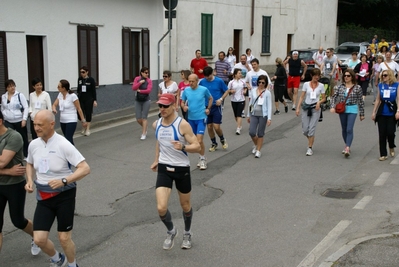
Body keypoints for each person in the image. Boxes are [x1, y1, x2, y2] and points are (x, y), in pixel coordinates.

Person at [25, 110, 90, 267]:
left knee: (64, 238)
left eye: (40, 125)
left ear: (52, 124)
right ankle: (57, 258)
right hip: (44, 196)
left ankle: (73, 264)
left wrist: (64, 180)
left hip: (64, 196)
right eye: (34, 124)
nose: (36, 128)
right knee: (39, 239)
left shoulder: (63, 144)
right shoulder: (34, 144)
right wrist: (29, 180)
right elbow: (29, 163)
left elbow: (85, 168)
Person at [150, 93, 200, 250]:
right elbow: (160, 141)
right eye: (160, 106)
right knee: (161, 207)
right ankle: (171, 231)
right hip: (164, 168)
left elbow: (197, 145)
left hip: (181, 169)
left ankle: (187, 232)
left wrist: (183, 146)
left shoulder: (182, 124)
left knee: (185, 205)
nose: (162, 109)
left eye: (165, 106)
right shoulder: (156, 124)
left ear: (173, 106)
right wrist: (156, 159)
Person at [0, 110, 40, 255]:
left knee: (17, 220)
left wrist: (6, 170)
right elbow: (4, 166)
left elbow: (3, 161)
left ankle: (37, 237)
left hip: (14, 185)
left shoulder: (14, 137)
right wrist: (7, 171)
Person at [330, 69, 365, 157]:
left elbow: (360, 101)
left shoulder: (357, 88)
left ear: (352, 77)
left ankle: (347, 147)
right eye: (345, 76)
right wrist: (332, 106)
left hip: (352, 109)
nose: (346, 77)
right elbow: (334, 97)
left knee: (349, 129)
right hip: (342, 109)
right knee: (344, 129)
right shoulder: (340, 87)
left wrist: (362, 113)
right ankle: (347, 144)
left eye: (348, 76)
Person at [181, 74, 212, 170]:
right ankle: (200, 157)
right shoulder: (186, 90)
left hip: (201, 118)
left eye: (192, 81)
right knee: (193, 142)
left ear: (197, 81)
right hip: (191, 118)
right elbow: (182, 101)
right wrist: (184, 107)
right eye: (189, 81)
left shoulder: (203, 89)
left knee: (199, 140)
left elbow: (210, 98)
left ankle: (202, 158)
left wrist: (208, 108)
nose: (190, 83)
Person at [295, 68, 326, 156]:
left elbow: (324, 98)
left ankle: (310, 148)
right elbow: (301, 97)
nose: (317, 77)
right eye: (315, 75)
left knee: (311, 129)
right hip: (306, 107)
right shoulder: (306, 84)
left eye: (318, 75)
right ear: (312, 75)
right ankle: (311, 139)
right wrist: (297, 108)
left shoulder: (321, 86)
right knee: (305, 130)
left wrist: (319, 102)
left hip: (315, 108)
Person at [199, 66, 229, 152]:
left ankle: (222, 139)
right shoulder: (202, 82)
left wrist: (221, 99)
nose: (207, 78)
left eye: (208, 76)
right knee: (209, 126)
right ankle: (214, 143)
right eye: (205, 76)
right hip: (206, 107)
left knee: (216, 127)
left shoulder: (219, 81)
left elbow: (227, 91)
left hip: (216, 106)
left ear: (212, 73)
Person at [371, 69, 399, 161]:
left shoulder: (396, 85)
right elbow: (378, 99)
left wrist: (398, 111)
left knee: (390, 132)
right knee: (382, 133)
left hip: (392, 110)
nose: (384, 77)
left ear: (390, 75)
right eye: (383, 75)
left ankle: (391, 145)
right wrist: (374, 112)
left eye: (386, 75)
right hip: (382, 111)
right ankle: (383, 154)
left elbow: (398, 99)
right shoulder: (381, 85)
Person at [52, 80, 87, 145]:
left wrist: (83, 120)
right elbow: (54, 104)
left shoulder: (72, 96)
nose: (57, 88)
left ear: (64, 88)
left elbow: (79, 109)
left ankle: (72, 153)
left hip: (71, 120)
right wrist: (54, 109)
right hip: (63, 120)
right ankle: (72, 152)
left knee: (68, 138)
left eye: (59, 86)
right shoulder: (60, 95)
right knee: (66, 139)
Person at [1, 79, 29, 158]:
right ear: (6, 88)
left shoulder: (20, 95)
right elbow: (3, 108)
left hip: (19, 120)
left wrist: (24, 119)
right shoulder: (4, 96)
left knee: (23, 138)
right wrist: (4, 116)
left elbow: (26, 107)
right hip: (8, 121)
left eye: (13, 86)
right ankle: (12, 155)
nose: (12, 88)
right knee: (9, 138)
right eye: (10, 86)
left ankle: (26, 155)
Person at [247, 75, 272, 158]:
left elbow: (269, 106)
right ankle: (257, 145)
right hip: (254, 114)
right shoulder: (253, 91)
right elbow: (251, 104)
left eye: (263, 82)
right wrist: (248, 115)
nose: (261, 84)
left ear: (265, 83)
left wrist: (269, 118)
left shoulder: (267, 93)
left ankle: (258, 150)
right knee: (252, 132)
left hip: (263, 115)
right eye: (259, 82)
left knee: (260, 133)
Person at [132, 67, 152, 140]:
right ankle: (145, 127)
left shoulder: (149, 81)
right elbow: (134, 88)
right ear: (142, 73)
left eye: (148, 73)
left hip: (146, 100)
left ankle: (144, 133)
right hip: (138, 100)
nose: (147, 74)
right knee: (138, 118)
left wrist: (140, 91)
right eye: (146, 72)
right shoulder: (137, 79)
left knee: (144, 117)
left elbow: (148, 90)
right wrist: (140, 83)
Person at [77, 66, 97, 136]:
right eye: (81, 72)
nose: (82, 74)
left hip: (89, 99)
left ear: (87, 72)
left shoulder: (91, 80)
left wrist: (94, 100)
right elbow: (78, 89)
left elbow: (93, 91)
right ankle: (83, 126)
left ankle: (87, 129)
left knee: (88, 113)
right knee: (80, 114)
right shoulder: (80, 79)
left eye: (83, 72)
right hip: (81, 98)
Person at [228, 68, 247, 135]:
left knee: (239, 114)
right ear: (235, 74)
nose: (240, 74)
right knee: (236, 115)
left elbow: (245, 88)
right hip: (234, 100)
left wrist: (245, 91)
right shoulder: (231, 82)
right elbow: (228, 91)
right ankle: (239, 124)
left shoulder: (243, 81)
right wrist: (231, 91)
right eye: (239, 73)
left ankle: (238, 128)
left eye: (241, 73)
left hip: (241, 99)